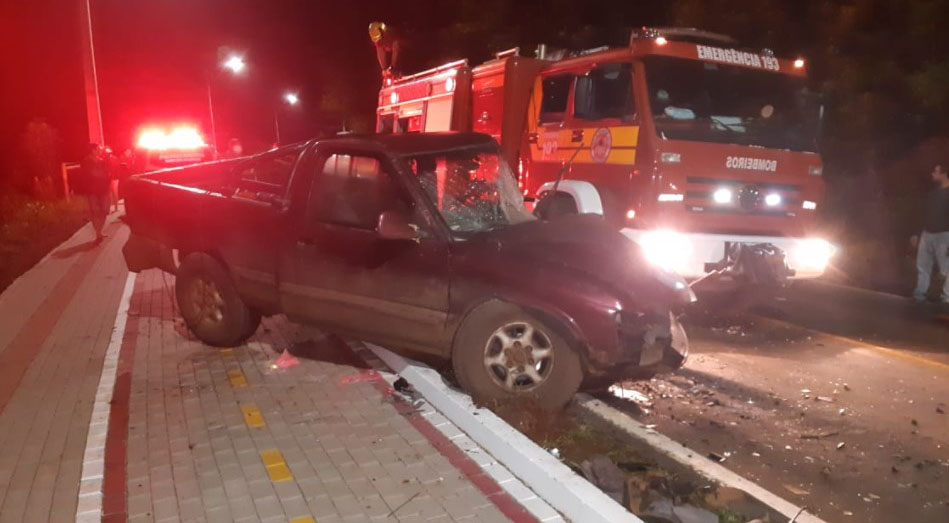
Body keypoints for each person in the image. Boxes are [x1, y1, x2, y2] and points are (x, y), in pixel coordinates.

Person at [912, 164, 949, 304]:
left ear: (944, 174)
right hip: (927, 234)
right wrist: (917, 233)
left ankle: (947, 298)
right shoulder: (932, 193)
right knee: (923, 266)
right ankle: (919, 294)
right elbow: (923, 212)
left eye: (935, 171)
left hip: (944, 235)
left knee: (946, 269)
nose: (932, 174)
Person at [79, 143, 111, 244]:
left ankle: (99, 230)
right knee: (95, 211)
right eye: (98, 149)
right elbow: (85, 176)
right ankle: (98, 233)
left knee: (105, 210)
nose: (100, 150)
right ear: (93, 150)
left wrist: (107, 180)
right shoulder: (86, 161)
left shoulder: (102, 161)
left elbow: (107, 173)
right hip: (92, 190)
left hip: (103, 189)